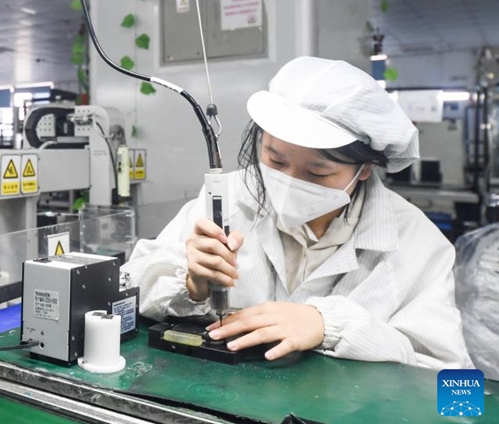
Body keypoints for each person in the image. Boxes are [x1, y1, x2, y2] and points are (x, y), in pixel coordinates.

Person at [123, 56, 473, 369]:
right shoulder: (227, 196)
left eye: (317, 173)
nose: (286, 183)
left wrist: (329, 324)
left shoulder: (419, 243)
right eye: (275, 159)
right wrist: (192, 285)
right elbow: (129, 284)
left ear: (364, 169)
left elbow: (456, 387)